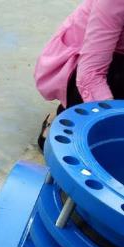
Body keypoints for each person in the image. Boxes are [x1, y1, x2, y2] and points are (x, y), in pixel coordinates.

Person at [35, 0, 124, 150]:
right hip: (86, 63)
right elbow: (90, 76)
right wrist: (114, 123)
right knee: (87, 146)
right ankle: (62, 115)